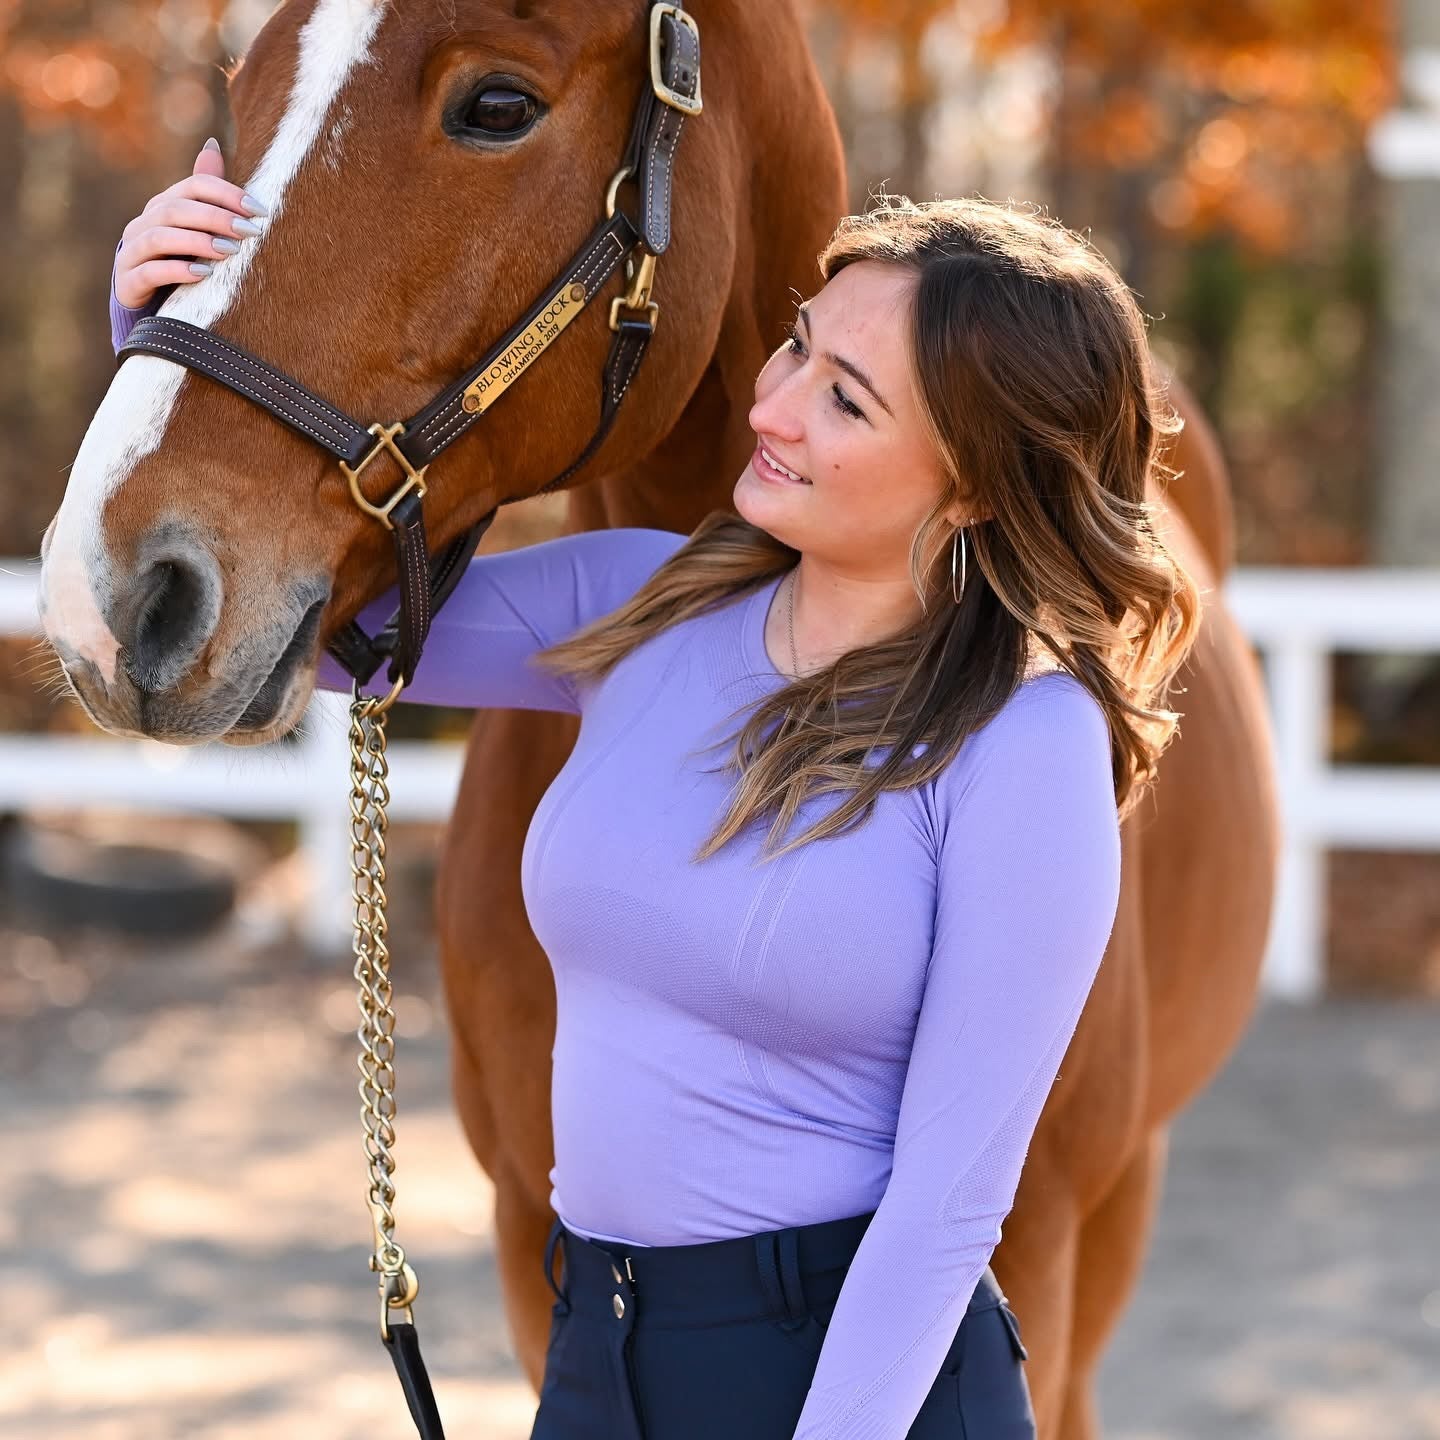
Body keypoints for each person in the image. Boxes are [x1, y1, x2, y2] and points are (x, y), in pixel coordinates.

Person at [109, 138, 1200, 1440]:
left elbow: (951, 1201)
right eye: (799, 345)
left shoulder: (1025, 737)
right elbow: (326, 630)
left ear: (973, 484)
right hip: (600, 1346)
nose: (774, 404)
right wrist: (166, 329)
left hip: (852, 1375)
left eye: (848, 401)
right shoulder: (641, 602)